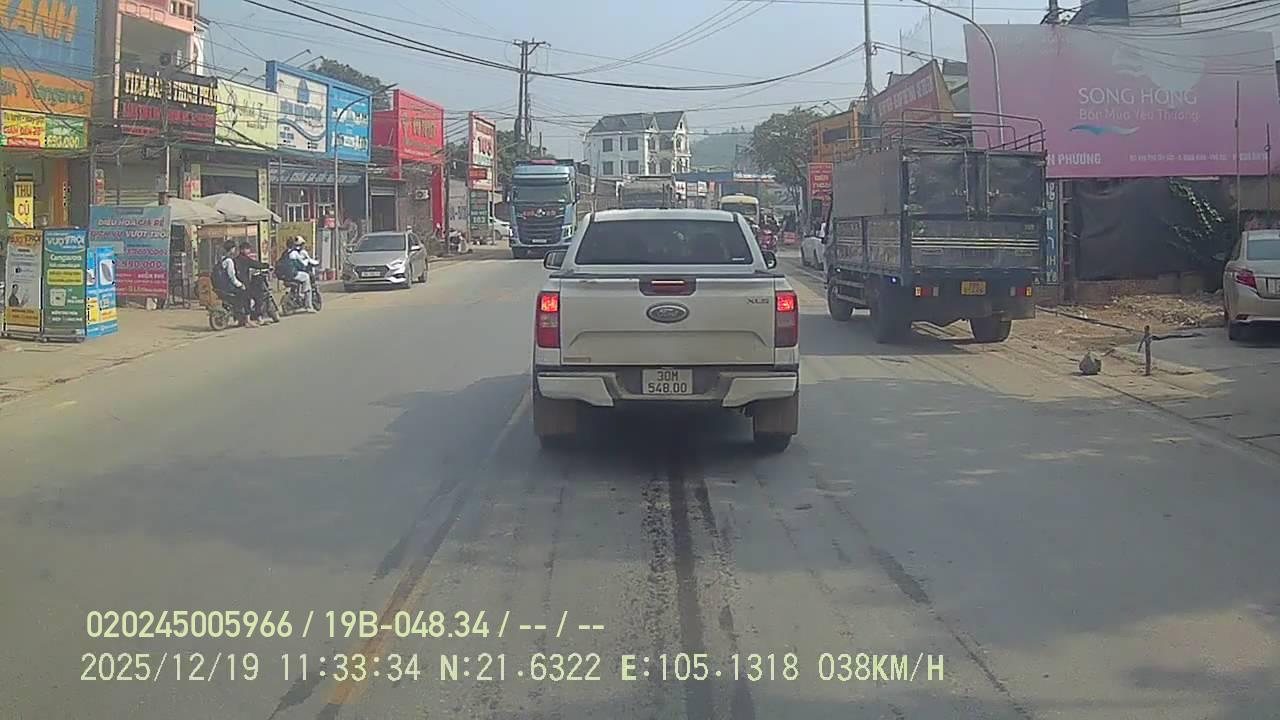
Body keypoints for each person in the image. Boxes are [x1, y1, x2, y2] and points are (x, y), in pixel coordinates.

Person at [218, 240, 257, 327]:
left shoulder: (222, 259)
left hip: (223, 287)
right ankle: (248, 320)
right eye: (234, 248)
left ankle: (240, 319)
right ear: (232, 249)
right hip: (230, 287)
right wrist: (240, 285)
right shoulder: (229, 261)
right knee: (246, 295)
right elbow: (232, 276)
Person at [234, 241, 272, 322]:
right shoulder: (244, 259)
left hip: (239, 282)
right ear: (242, 250)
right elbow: (255, 264)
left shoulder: (237, 259)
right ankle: (258, 317)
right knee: (258, 296)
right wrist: (267, 265)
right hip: (244, 283)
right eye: (247, 249)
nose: (249, 251)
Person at [287, 236, 319, 312]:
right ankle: (308, 306)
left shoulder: (287, 252)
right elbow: (304, 263)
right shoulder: (299, 253)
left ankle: (298, 295)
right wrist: (316, 262)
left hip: (287, 274)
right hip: (295, 273)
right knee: (307, 281)